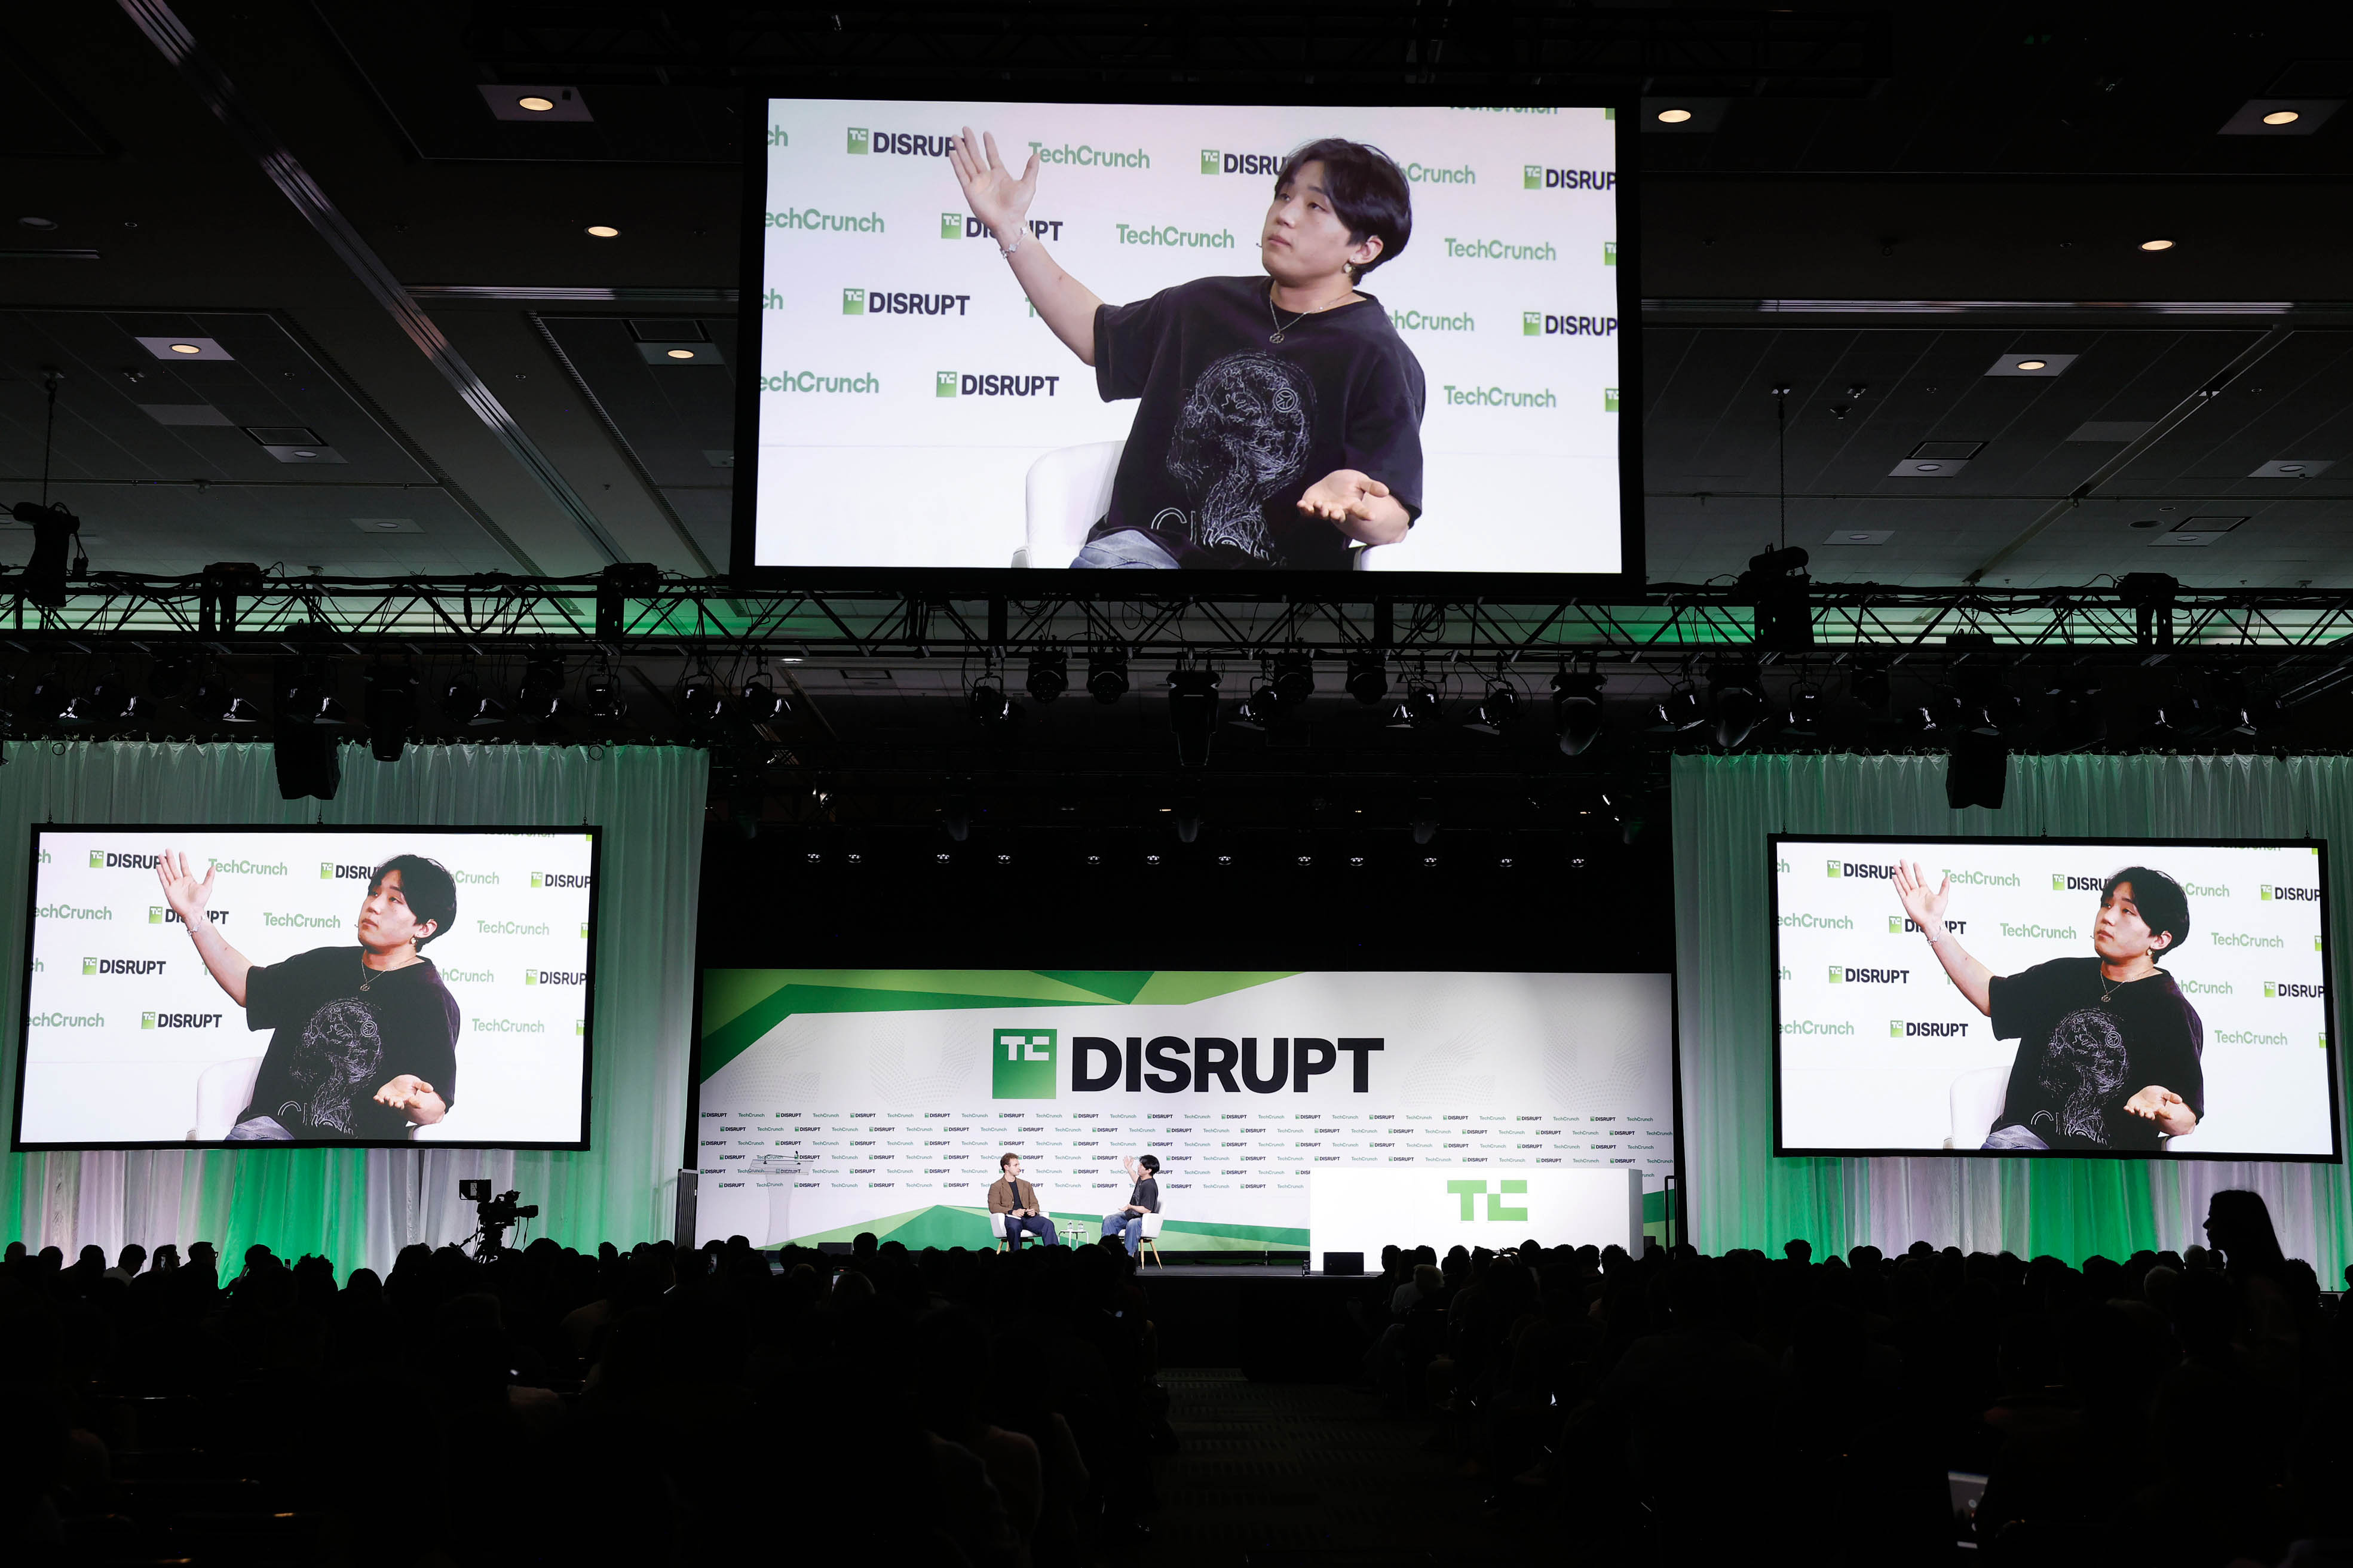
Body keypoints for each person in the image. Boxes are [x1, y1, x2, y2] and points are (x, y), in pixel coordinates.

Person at [949, 127, 1425, 571]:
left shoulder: (1378, 356)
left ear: (1364, 249)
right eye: (1284, 195)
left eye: (1315, 206)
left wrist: (1354, 505)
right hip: (1145, 555)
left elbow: (1393, 520)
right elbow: (1096, 336)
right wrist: (1010, 229)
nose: (1285, 214)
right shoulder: (1204, 304)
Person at [157, 849, 462, 1142]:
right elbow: (248, 987)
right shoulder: (323, 964)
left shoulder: (430, 999)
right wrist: (195, 917)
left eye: (394, 900)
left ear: (424, 928)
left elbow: (435, 1107)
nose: (374, 905)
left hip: (355, 1153)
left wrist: (412, 1099)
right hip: (272, 1133)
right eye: (374, 892)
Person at [1892, 862, 2202, 1150]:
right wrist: (1934, 927)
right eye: (2107, 905)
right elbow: (1991, 996)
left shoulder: (2172, 1011)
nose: (2108, 917)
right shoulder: (2062, 976)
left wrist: (2161, 1107)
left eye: (2127, 912)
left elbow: (2186, 1120)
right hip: (2023, 1145)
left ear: (2159, 940)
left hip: (2105, 1165)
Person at [988, 1152, 1060, 1250]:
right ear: (1006, 1167)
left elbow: (1034, 1203)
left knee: (1048, 1224)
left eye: (1019, 1165)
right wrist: (1013, 1212)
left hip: (1028, 1218)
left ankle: (1054, 1254)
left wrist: (1034, 1210)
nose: (1019, 1168)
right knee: (1014, 1227)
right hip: (1012, 1218)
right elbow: (993, 1206)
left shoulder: (1026, 1185)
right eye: (1016, 1165)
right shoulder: (996, 1186)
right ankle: (1016, 1255)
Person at [1101, 1153, 1160, 1256]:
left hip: (1142, 1219)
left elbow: (1147, 1209)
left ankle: (1128, 1256)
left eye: (1141, 1165)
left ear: (1149, 1170)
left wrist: (1130, 1206)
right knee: (1109, 1220)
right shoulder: (1143, 1180)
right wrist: (1129, 1168)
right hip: (1132, 1215)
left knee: (1132, 1224)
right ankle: (1108, 1252)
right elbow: (1136, 1179)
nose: (1138, 1166)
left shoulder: (1150, 1186)